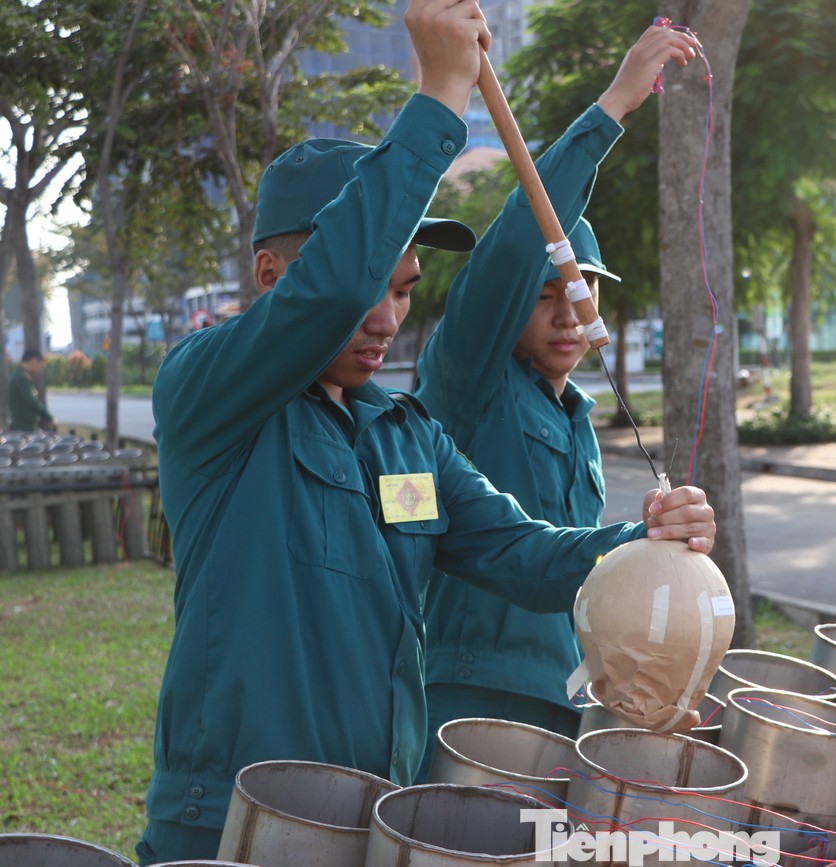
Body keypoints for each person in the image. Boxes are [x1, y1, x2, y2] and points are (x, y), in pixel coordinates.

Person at [138, 3, 714, 863]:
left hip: (370, 813)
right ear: (268, 273)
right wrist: (442, 94)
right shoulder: (212, 399)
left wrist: (646, 540)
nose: (385, 317)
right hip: (228, 820)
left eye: (405, 289)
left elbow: (529, 554)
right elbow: (332, 291)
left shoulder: (407, 442)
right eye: (373, 283)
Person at [414, 24, 701, 756]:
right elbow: (514, 247)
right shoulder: (469, 379)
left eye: (581, 291)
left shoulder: (577, 418)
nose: (570, 313)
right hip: (469, 698)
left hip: (564, 699)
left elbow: (576, 565)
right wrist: (613, 106)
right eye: (546, 295)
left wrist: (653, 538)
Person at [9, 348, 55, 432]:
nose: (39, 369)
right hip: (23, 428)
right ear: (34, 361)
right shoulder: (20, 378)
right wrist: (49, 418)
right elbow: (32, 401)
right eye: (40, 365)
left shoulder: (21, 376)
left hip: (26, 426)